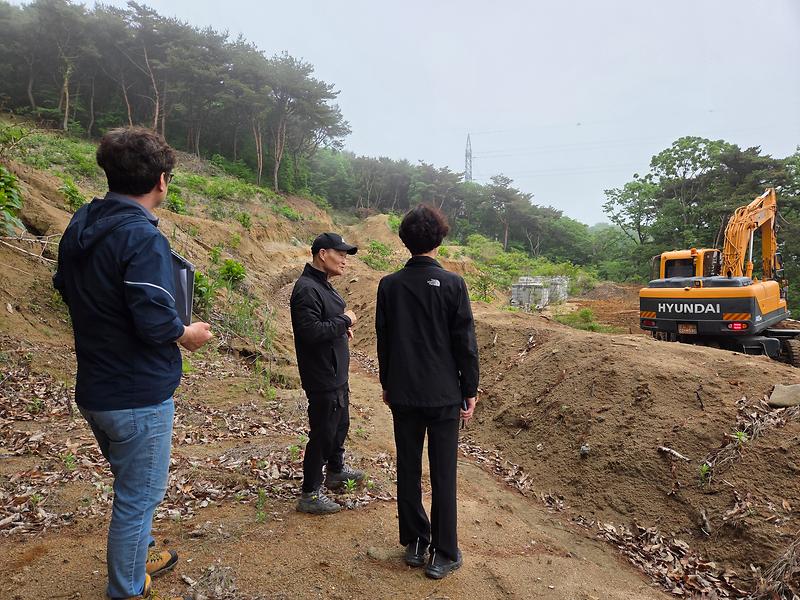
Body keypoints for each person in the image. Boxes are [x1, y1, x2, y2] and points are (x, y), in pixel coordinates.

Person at [53, 127, 212, 600]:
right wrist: (187, 334)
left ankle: (139, 557)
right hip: (137, 395)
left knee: (131, 485)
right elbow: (154, 319)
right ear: (161, 180)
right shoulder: (142, 237)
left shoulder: (83, 223)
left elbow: (66, 286)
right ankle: (126, 588)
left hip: (96, 388)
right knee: (138, 498)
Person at [375, 205, 479, 579]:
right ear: (439, 239)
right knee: (443, 473)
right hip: (443, 395)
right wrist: (470, 389)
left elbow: (384, 341)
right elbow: (465, 343)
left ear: (405, 240)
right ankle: (444, 553)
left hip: (404, 392)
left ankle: (416, 542)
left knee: (408, 467)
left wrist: (388, 384)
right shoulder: (453, 284)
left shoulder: (389, 285)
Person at [290, 232, 366, 514]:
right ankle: (310, 493)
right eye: (341, 255)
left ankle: (335, 470)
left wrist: (339, 327)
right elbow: (310, 332)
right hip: (322, 375)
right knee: (323, 431)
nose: (345, 260)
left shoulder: (323, 285)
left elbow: (324, 322)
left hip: (335, 372)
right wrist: (345, 320)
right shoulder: (307, 289)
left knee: (339, 424)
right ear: (323, 254)